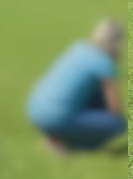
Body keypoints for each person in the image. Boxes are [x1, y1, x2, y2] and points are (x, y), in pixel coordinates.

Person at [27, 20, 126, 153]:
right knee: (117, 124)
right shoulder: (104, 62)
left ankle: (56, 136)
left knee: (94, 94)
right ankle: (66, 144)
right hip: (55, 117)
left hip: (34, 109)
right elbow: (114, 109)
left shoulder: (78, 47)